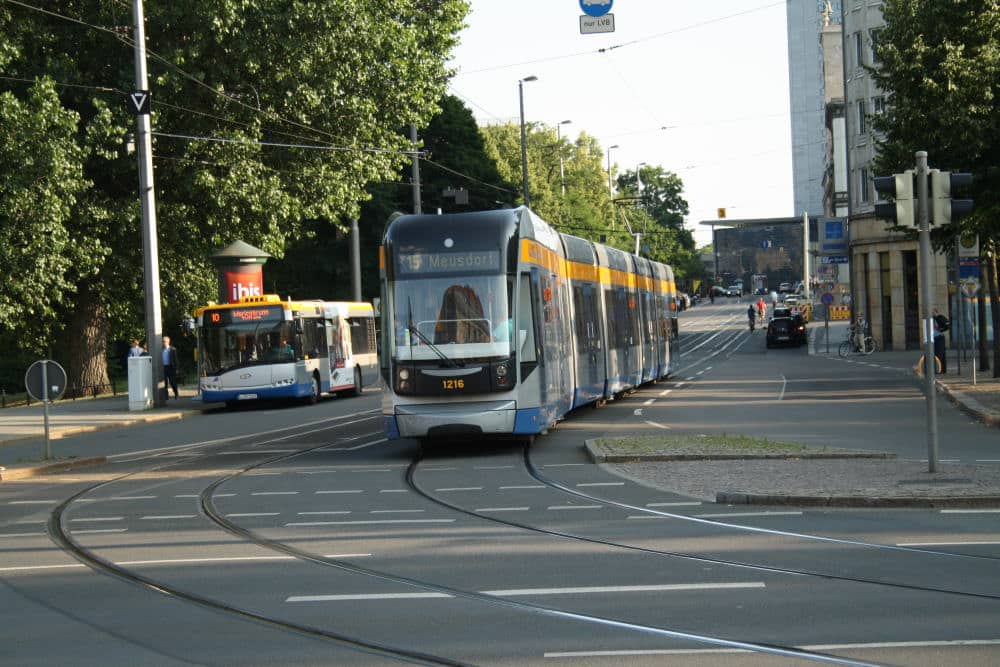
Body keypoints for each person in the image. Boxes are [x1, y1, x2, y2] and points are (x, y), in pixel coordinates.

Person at [933, 308, 949, 373]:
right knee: (938, 354)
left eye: (933, 312)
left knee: (940, 354)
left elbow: (947, 325)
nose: (932, 314)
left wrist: (940, 329)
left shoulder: (940, 317)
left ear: (937, 312)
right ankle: (941, 370)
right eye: (932, 313)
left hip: (939, 338)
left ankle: (941, 370)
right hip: (935, 338)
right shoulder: (933, 319)